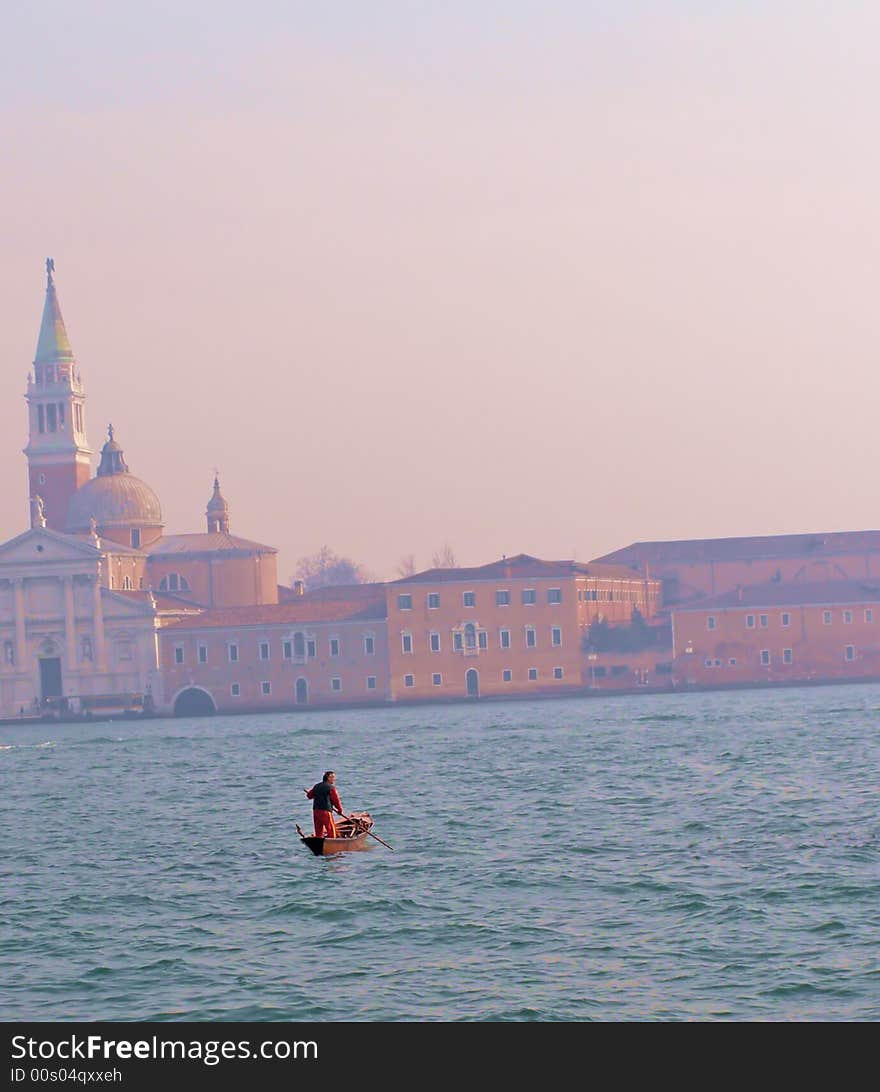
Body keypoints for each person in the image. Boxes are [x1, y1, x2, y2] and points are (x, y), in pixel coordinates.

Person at [303, 770, 343, 837]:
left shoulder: (317, 786)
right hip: (325, 811)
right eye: (332, 777)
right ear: (328, 778)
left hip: (316, 811)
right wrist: (340, 810)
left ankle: (319, 841)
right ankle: (333, 843)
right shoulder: (331, 788)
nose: (334, 779)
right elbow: (336, 800)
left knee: (318, 830)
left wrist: (316, 794)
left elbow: (309, 796)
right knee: (330, 829)